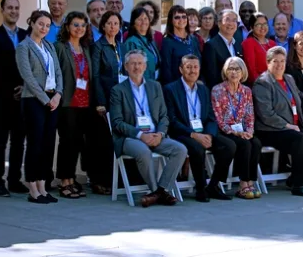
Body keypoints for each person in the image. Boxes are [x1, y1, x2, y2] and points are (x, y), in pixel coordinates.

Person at [110, 49, 187, 208]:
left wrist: (160, 133)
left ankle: (160, 190)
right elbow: (117, 123)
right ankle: (157, 191)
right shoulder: (118, 90)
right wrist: (140, 135)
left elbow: (164, 116)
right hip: (130, 138)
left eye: (139, 63)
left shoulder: (155, 86)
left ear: (145, 66)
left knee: (180, 149)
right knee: (143, 151)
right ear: (126, 66)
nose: (136, 67)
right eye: (133, 64)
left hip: (155, 135)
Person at [163, 54, 235, 202]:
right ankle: (201, 188)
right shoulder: (170, 89)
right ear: (181, 69)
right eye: (188, 67)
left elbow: (210, 117)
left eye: (195, 67)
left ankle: (213, 186)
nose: (192, 70)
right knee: (197, 148)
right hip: (183, 133)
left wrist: (209, 134)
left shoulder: (203, 89)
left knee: (229, 146)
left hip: (203, 132)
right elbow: (172, 120)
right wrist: (194, 135)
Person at [252, 47, 303, 197]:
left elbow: (300, 98)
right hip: (270, 130)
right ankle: (298, 185)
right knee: (299, 139)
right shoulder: (263, 83)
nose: (279, 65)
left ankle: (297, 177)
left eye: (282, 61)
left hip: (292, 127)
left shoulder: (289, 79)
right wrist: (287, 125)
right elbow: (266, 114)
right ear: (268, 63)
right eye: (275, 61)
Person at [16, 10, 64, 204]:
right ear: (32, 23)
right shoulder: (23, 47)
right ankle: (33, 188)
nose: (44, 28)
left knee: (48, 144)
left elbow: (58, 72)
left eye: (47, 25)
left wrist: (58, 94)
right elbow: (28, 77)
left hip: (52, 100)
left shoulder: (49, 46)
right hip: (34, 100)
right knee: (35, 144)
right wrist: (45, 99)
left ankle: (43, 187)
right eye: (40, 24)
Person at [0, 0, 28, 197]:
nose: (13, 11)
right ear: (2, 10)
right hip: (2, 98)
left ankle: (14, 180)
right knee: (0, 140)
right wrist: (12, 88)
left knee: (19, 141)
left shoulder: (26, 35)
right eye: (10, 8)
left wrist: (24, 86)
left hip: (23, 97)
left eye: (16, 8)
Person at [211, 57, 263, 199]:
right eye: (230, 69)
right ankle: (242, 184)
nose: (233, 72)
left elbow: (249, 115)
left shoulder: (246, 91)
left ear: (242, 72)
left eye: (237, 69)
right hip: (225, 131)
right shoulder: (217, 90)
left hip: (242, 131)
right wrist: (234, 132)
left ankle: (250, 181)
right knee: (244, 144)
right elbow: (218, 118)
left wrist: (249, 131)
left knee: (255, 143)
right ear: (225, 72)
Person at [54, 11, 93, 199]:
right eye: (76, 25)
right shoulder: (60, 47)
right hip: (67, 101)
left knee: (77, 142)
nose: (79, 29)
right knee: (67, 142)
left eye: (83, 25)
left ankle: (72, 178)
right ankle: (64, 181)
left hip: (84, 101)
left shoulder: (85, 48)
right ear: (68, 26)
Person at [90, 11, 123, 195]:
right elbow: (95, 76)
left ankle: (114, 180)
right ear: (103, 26)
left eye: (116, 23)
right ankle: (99, 180)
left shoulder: (120, 46)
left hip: (119, 100)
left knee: (115, 141)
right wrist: (100, 102)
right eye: (109, 23)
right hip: (104, 102)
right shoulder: (98, 47)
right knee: (102, 143)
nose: (113, 27)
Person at [160, 5, 202, 86]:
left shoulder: (194, 39)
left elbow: (200, 62)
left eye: (184, 17)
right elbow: (166, 70)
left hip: (195, 85)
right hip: (176, 86)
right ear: (171, 20)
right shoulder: (167, 42)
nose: (181, 20)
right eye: (177, 17)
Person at [202, 9, 244, 89]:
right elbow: (211, 77)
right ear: (219, 23)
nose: (231, 23)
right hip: (220, 92)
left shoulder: (237, 44)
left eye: (234, 20)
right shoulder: (211, 45)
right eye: (227, 19)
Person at [123, 7, 161, 81]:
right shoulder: (132, 42)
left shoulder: (150, 41)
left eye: (145, 18)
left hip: (154, 82)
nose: (143, 22)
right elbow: (134, 69)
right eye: (140, 19)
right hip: (142, 84)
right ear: (133, 23)